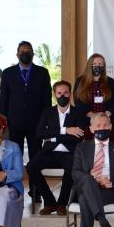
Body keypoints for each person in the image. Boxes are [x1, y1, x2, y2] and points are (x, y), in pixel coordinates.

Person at [28, 80, 86, 215]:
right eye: (59, 93)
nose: (62, 96)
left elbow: (78, 137)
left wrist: (53, 135)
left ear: (70, 94)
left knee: (72, 167)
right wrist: (66, 130)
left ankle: (62, 204)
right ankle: (49, 202)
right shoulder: (47, 112)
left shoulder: (79, 113)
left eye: (66, 93)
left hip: (69, 152)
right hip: (49, 152)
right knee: (31, 166)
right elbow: (40, 133)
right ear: (55, 95)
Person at [0, 40, 53, 159]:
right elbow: (4, 99)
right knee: (14, 154)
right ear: (17, 55)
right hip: (14, 122)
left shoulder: (43, 72)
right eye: (22, 51)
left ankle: (34, 172)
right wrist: (3, 120)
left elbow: (47, 99)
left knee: (36, 155)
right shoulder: (7, 73)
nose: (25, 54)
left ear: (33, 54)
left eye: (28, 51)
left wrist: (46, 120)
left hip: (36, 121)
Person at [74, 53, 114, 134]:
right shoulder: (80, 81)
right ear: (89, 65)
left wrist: (105, 115)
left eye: (100, 64)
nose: (97, 66)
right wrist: (93, 116)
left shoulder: (112, 82)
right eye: (94, 64)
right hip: (86, 123)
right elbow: (78, 101)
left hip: (107, 123)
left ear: (104, 66)